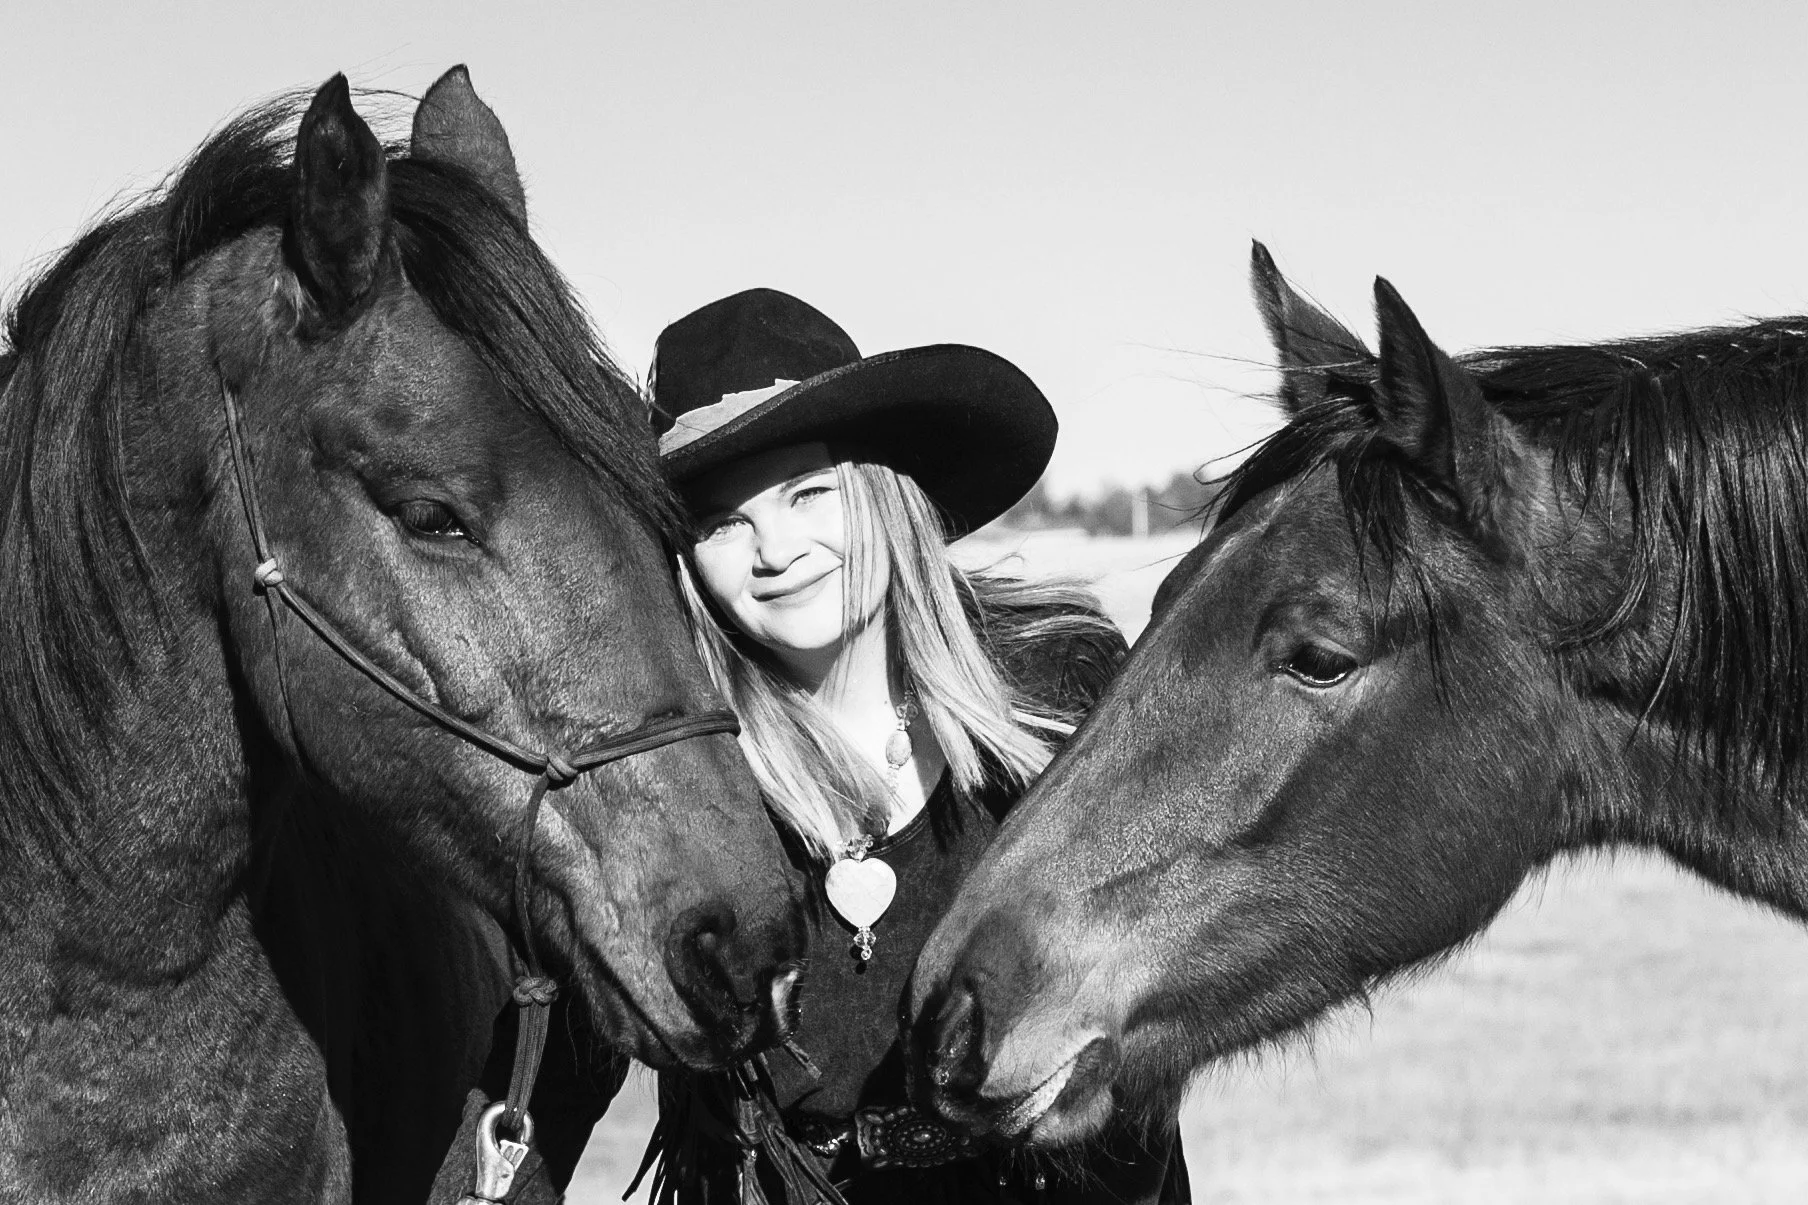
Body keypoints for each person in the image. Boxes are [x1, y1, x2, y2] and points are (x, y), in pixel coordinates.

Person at [634, 288, 1189, 1205]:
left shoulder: (1060, 684)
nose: (776, 548)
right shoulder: (687, 775)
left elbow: (1167, 994)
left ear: (881, 494)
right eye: (723, 520)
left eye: (810, 493)